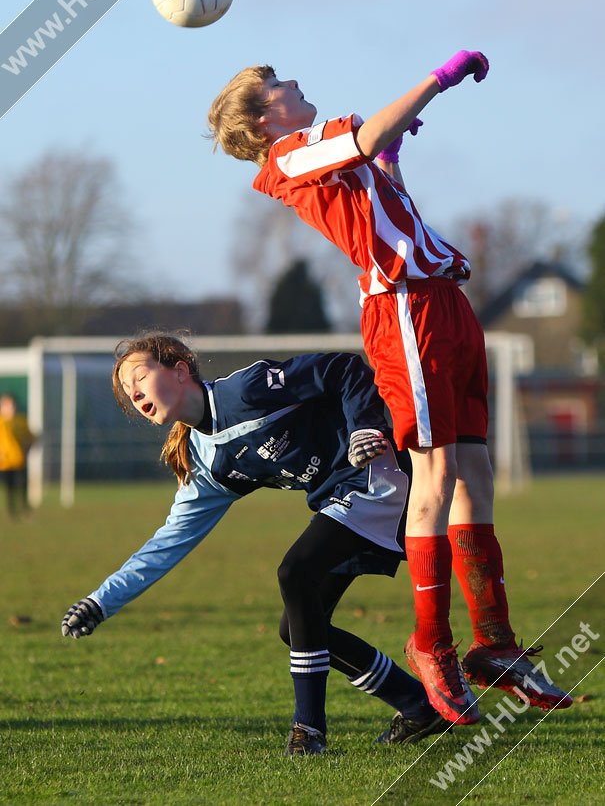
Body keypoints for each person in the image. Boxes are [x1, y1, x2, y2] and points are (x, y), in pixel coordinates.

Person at [207, 52, 573, 724]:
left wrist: (392, 157)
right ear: (263, 122)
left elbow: (381, 186)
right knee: (432, 477)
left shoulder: (322, 154)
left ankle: (494, 645)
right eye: (278, 86)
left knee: (474, 473)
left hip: (443, 302)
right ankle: (430, 644)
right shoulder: (288, 155)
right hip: (403, 309)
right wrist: (440, 77)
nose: (294, 83)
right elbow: (369, 135)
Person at [61, 333, 452, 756]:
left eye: (139, 376)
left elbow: (343, 368)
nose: (134, 392)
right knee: (298, 627)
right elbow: (167, 544)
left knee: (295, 572)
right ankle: (416, 705)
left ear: (179, 370)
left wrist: (365, 428)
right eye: (127, 391)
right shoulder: (207, 463)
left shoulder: (244, 390)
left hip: (380, 478)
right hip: (342, 501)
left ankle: (309, 731)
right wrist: (100, 602)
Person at [0, 393, 36, 520]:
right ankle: (12, 512)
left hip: (19, 459)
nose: (9, 408)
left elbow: (31, 438)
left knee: (22, 485)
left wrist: (28, 447)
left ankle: (25, 509)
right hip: (5, 462)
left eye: (11, 405)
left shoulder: (21, 421)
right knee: (9, 487)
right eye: (6, 405)